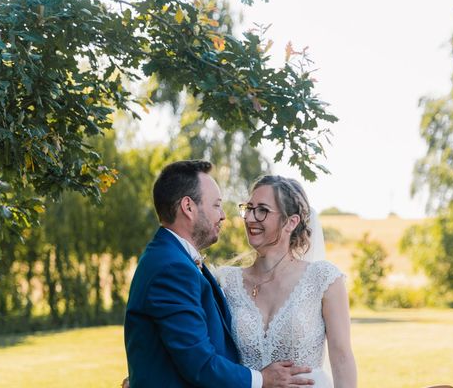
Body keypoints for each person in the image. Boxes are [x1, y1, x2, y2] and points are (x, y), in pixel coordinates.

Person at [124, 160, 314, 388]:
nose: (223, 215)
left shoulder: (173, 258)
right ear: (188, 207)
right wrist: (262, 380)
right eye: (216, 205)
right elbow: (199, 363)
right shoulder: (172, 268)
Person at [216, 175, 357, 388]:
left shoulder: (323, 279)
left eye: (262, 210)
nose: (250, 218)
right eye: (249, 208)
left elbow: (342, 359)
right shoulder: (225, 281)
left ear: (291, 222)